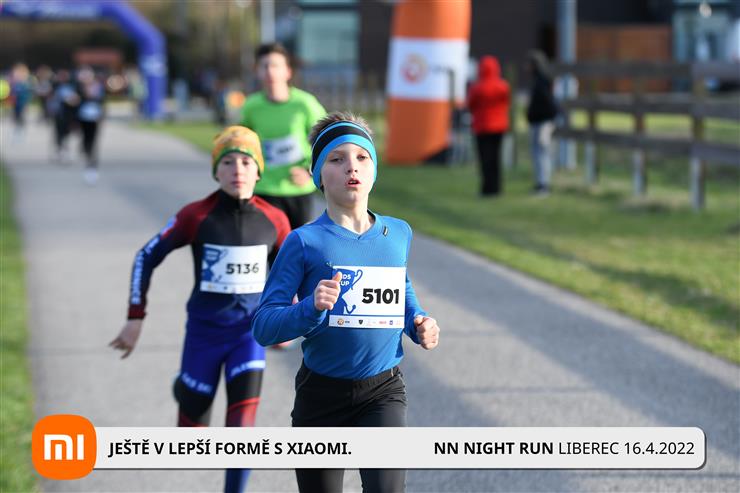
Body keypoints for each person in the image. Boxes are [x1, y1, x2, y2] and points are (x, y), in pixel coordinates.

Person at [251, 112, 441, 493]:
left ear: (373, 170)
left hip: (383, 390)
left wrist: (419, 321)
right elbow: (264, 325)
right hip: (321, 395)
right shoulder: (303, 242)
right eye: (336, 159)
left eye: (362, 157)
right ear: (319, 176)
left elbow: (399, 289)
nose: (351, 167)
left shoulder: (397, 233)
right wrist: (310, 308)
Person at [110, 126, 290, 493]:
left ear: (258, 171)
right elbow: (146, 257)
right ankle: (183, 387)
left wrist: (289, 316)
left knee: (242, 430)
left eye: (246, 162)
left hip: (248, 335)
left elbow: (294, 270)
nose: (237, 169)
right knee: (191, 440)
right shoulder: (195, 216)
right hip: (204, 335)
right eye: (228, 162)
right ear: (215, 171)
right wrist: (134, 318)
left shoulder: (275, 219)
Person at [240, 42, 326, 230]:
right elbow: (243, 144)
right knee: (269, 244)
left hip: (297, 189)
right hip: (263, 188)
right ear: (257, 72)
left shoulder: (305, 104)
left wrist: (310, 172)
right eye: (264, 66)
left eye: (275, 65)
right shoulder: (251, 106)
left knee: (297, 243)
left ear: (288, 71)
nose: (270, 71)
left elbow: (326, 142)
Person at [467, 55, 511, 196]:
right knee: (496, 158)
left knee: (485, 158)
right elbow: (507, 102)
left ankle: (487, 189)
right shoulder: (503, 86)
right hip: (499, 127)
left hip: (482, 126)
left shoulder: (477, 88)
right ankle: (497, 188)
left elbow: (470, 104)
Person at [526, 50, 559, 196]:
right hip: (539, 121)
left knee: (542, 152)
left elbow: (547, 103)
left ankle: (544, 185)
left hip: (543, 122)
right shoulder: (540, 80)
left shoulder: (542, 81)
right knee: (538, 153)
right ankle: (540, 183)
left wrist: (546, 117)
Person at [75, 66, 106, 185]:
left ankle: (92, 162)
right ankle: (86, 151)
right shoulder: (79, 88)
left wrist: (102, 116)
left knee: (93, 140)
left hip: (94, 117)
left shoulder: (98, 87)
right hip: (83, 117)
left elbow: (102, 102)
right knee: (85, 138)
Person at [49, 69, 80, 163]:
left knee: (67, 133)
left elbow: (77, 100)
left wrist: (72, 100)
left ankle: (65, 150)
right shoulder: (55, 86)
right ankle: (59, 150)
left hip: (69, 114)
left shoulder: (72, 86)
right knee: (58, 133)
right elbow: (50, 98)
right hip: (58, 113)